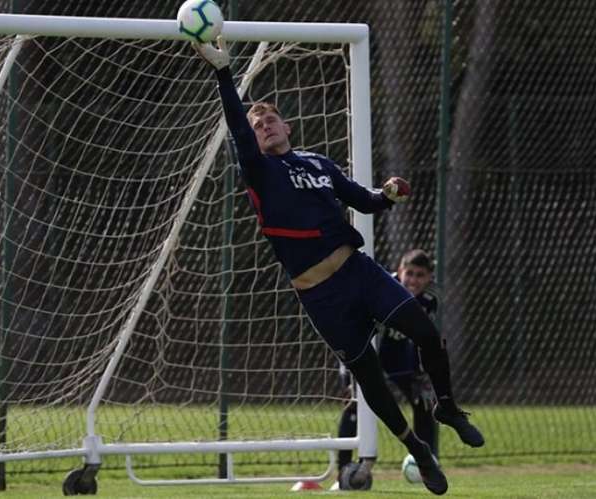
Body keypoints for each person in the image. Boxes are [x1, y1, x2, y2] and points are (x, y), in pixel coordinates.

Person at [193, 38, 484, 496]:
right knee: (369, 377)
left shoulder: (318, 163)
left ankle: (447, 407)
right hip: (321, 296)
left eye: (270, 118)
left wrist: (387, 195)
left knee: (426, 332)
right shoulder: (258, 170)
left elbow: (363, 201)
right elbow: (236, 123)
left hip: (359, 273)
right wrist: (224, 72)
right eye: (258, 123)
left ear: (287, 126)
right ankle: (418, 450)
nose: (264, 124)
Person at [335, 249, 440, 489]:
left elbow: (423, 335)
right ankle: (343, 471)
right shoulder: (384, 289)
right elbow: (356, 332)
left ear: (429, 278)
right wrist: (348, 377)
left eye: (420, 275)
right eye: (409, 273)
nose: (413, 280)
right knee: (355, 406)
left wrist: (423, 373)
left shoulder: (432, 298)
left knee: (425, 403)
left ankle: (430, 464)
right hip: (368, 356)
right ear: (400, 272)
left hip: (402, 362)